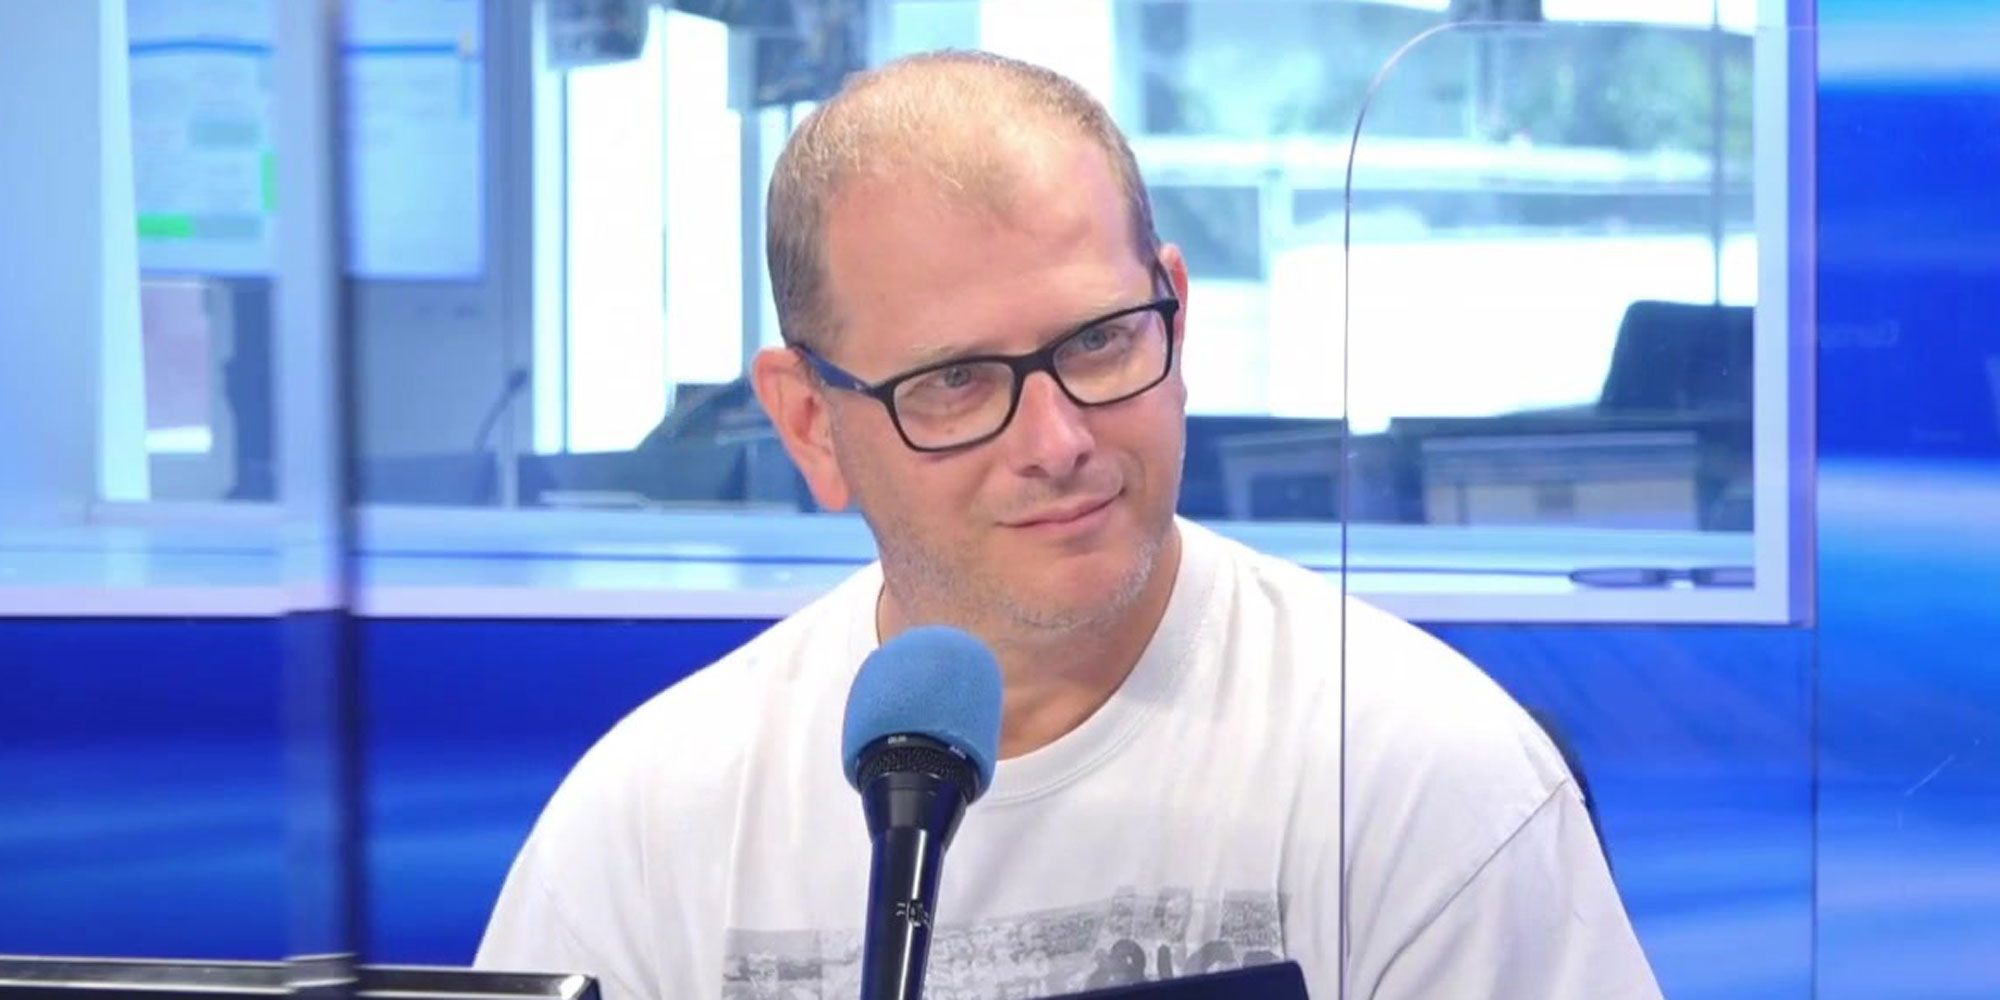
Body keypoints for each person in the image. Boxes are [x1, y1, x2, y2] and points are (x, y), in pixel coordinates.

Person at [475, 50, 1664, 1000]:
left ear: (1175, 314)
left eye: (1098, 341)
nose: (1055, 440)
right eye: (953, 381)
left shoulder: (1421, 773)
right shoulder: (649, 824)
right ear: (808, 423)